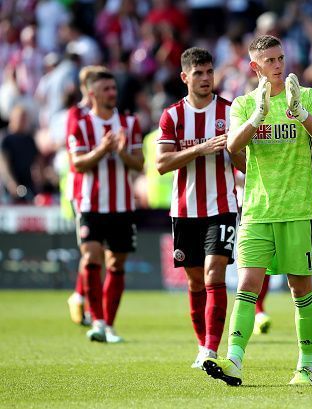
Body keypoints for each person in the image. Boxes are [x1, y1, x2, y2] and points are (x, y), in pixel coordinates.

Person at [203, 34, 312, 386]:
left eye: (280, 58)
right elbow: (232, 146)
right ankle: (234, 361)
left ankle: (305, 364)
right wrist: (257, 115)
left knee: (300, 288)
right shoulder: (244, 104)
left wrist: (301, 113)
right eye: (270, 61)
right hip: (257, 209)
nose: (278, 66)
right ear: (254, 66)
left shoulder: (306, 95)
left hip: (297, 207)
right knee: (246, 285)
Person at [156, 47, 245, 370]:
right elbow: (162, 164)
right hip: (184, 210)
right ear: (185, 77)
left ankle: (210, 348)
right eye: (199, 73)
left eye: (209, 72)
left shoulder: (230, 110)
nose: (206, 78)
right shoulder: (173, 116)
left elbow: (244, 163)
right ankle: (201, 344)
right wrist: (202, 148)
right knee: (195, 281)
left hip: (221, 206)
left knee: (213, 273)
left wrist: (233, 149)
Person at [68, 69, 144, 343]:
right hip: (90, 204)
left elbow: (140, 163)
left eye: (113, 87)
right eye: (106, 89)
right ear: (92, 94)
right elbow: (77, 164)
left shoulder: (130, 123)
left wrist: (122, 152)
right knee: (90, 257)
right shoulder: (81, 125)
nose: (112, 93)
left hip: (122, 207)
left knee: (117, 263)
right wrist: (102, 149)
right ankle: (97, 321)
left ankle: (109, 325)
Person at [66, 65, 110, 327]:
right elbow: (75, 155)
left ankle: (83, 296)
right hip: (83, 189)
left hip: (108, 190)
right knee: (92, 250)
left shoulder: (109, 113)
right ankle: (81, 296)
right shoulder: (77, 114)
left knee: (102, 251)